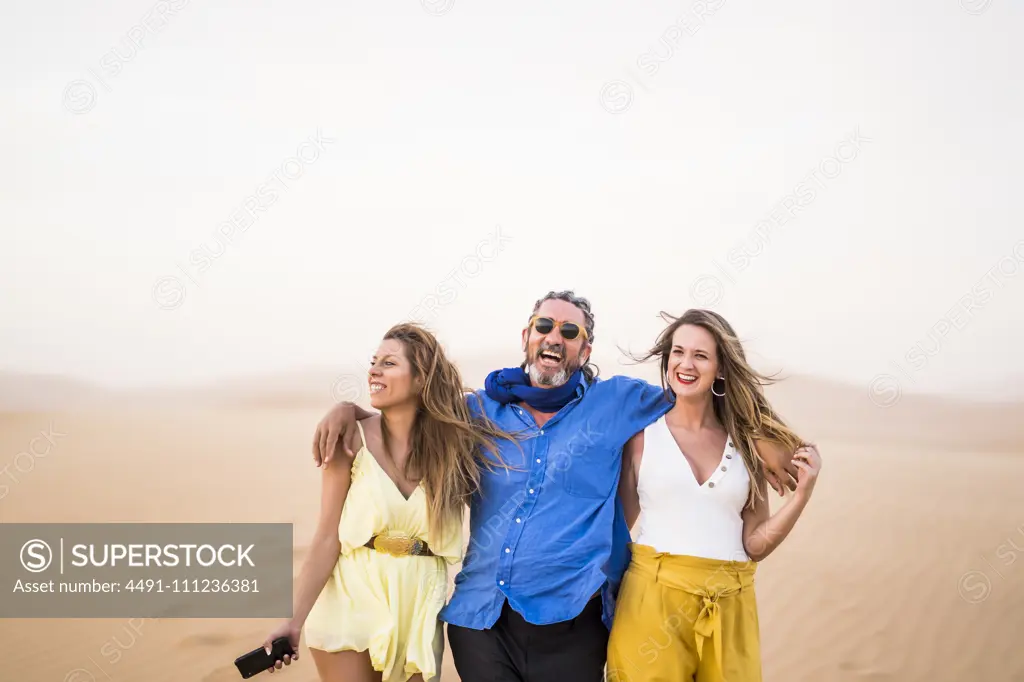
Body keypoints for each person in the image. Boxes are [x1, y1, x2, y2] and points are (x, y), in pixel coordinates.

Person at [309, 291, 801, 682]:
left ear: (585, 349)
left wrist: (764, 439)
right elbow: (409, 414)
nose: (554, 337)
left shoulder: (618, 403)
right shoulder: (477, 411)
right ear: (526, 335)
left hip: (572, 624)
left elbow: (697, 395)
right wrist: (350, 411)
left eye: (570, 332)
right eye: (544, 326)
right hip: (480, 617)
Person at [261, 322, 514, 682]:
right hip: (351, 597)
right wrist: (294, 621)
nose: (374, 370)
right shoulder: (349, 441)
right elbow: (326, 537)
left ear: (421, 379)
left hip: (420, 602)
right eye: (374, 361)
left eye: (389, 363)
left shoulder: (453, 448)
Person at [606, 309, 822, 682]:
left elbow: (754, 544)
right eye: (678, 352)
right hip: (651, 606)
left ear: (721, 369)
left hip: (730, 607)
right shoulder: (641, 437)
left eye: (700, 355)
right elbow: (616, 529)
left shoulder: (747, 447)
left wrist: (801, 496)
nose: (685, 364)